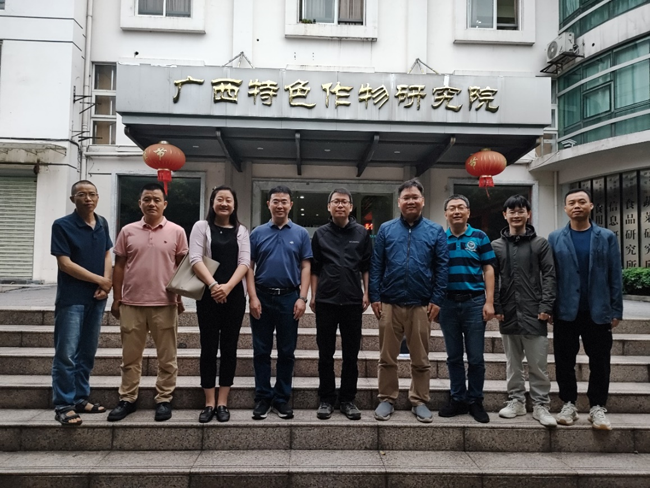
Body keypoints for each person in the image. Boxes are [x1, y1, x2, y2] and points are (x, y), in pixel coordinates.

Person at [369, 178, 449, 423]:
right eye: (406, 197)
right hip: (389, 302)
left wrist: (437, 299)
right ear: (399, 202)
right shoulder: (386, 229)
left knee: (421, 358)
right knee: (387, 357)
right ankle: (386, 398)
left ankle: (419, 400)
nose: (411, 201)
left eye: (415, 197)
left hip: (421, 304)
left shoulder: (435, 231)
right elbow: (376, 265)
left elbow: (442, 267)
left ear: (422, 201)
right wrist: (375, 296)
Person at [107, 183, 188, 422]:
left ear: (165, 204)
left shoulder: (177, 231)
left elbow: (182, 268)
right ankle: (127, 398)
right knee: (130, 357)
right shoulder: (127, 231)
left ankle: (164, 399)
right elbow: (119, 266)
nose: (151, 203)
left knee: (167, 357)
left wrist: (180, 298)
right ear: (140, 203)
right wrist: (116, 298)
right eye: (147, 199)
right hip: (132, 303)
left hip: (165, 303)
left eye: (156, 199)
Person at [549, 188, 623, 430]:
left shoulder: (606, 237)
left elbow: (615, 274)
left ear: (591, 206)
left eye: (582, 201)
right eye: (571, 203)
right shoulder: (555, 238)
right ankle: (568, 403)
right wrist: (549, 307)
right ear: (565, 208)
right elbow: (550, 276)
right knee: (564, 361)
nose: (577, 206)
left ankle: (597, 406)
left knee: (600, 361)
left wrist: (616, 310)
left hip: (598, 310)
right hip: (565, 310)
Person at [50, 180, 113, 425]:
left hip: (96, 298)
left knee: (87, 352)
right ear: (72, 199)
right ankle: (63, 404)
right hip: (72, 298)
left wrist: (105, 284)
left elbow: (107, 254)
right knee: (66, 354)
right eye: (82, 195)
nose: (88, 199)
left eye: (92, 194)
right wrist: (100, 280)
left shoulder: (102, 223)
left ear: (97, 197)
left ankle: (79, 398)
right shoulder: (62, 225)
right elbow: (65, 264)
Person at [247, 185, 312, 420]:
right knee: (261, 350)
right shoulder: (257, 233)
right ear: (268, 204)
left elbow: (306, 266)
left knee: (287, 351)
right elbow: (248, 267)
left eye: (284, 201)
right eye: (276, 201)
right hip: (262, 297)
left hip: (289, 298)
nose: (280, 205)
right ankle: (263, 397)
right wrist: (252, 297)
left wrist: (302, 298)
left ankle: (282, 398)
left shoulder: (301, 234)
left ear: (291, 204)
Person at [492, 195, 557, 427]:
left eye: (521, 211)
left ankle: (541, 405)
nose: (516, 215)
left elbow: (549, 275)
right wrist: (497, 305)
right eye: (512, 211)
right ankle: (516, 401)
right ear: (505, 215)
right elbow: (492, 278)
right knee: (513, 362)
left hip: (534, 310)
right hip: (508, 311)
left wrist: (546, 305)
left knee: (538, 363)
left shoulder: (540, 244)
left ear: (528, 214)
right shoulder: (496, 246)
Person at [189, 186, 250, 423]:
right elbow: (195, 258)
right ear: (212, 202)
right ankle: (209, 402)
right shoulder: (201, 227)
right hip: (208, 295)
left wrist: (228, 287)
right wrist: (214, 285)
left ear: (234, 205)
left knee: (229, 347)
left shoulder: (241, 231)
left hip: (234, 296)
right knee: (208, 346)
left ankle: (223, 401)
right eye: (219, 199)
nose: (224, 203)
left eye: (228, 200)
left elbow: (244, 263)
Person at [310, 188, 372, 420]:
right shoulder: (320, 234)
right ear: (329, 206)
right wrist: (313, 295)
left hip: (353, 300)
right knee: (325, 353)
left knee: (351, 354)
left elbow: (366, 266)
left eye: (344, 202)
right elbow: (315, 268)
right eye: (336, 202)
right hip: (326, 300)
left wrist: (367, 293)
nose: (340, 205)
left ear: (351, 207)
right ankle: (326, 399)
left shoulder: (361, 233)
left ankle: (347, 399)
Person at [438, 194, 495, 423]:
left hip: (474, 302)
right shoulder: (440, 239)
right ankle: (458, 398)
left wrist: (489, 302)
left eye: (461, 207)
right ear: (446, 214)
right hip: (447, 303)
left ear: (468, 212)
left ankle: (475, 400)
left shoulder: (480, 237)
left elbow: (488, 269)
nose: (456, 211)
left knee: (476, 357)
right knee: (453, 356)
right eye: (452, 208)